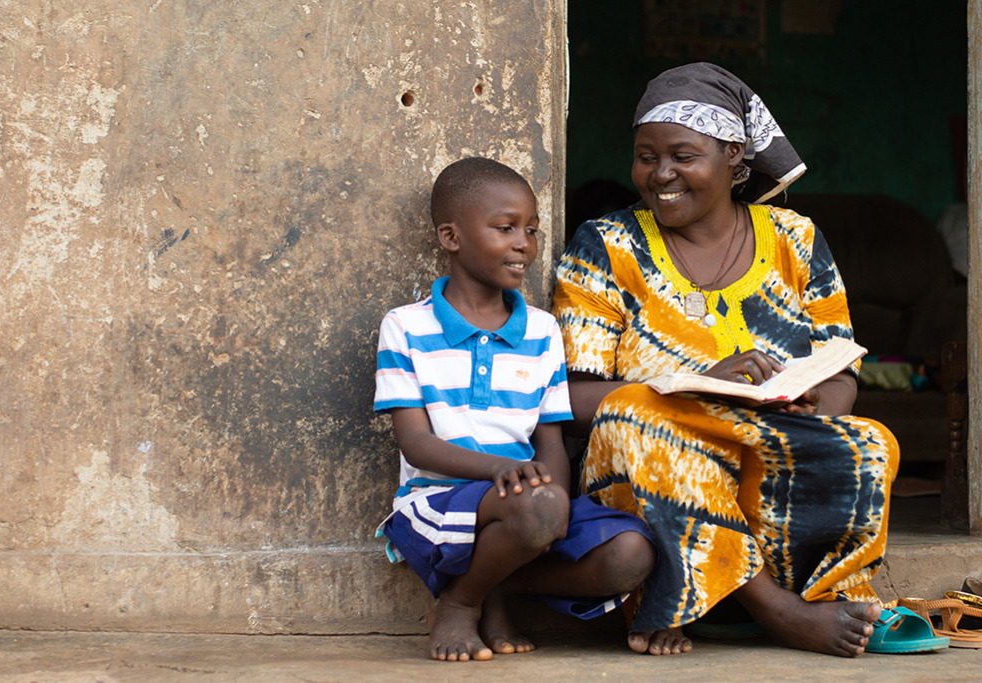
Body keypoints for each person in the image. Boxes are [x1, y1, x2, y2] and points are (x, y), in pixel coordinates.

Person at [552, 63, 902, 658]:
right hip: (653, 450)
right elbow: (576, 396)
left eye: (682, 155)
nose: (660, 174)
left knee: (871, 442)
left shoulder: (795, 238)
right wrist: (695, 383)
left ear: (734, 155)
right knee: (639, 418)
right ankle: (774, 610)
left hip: (769, 434)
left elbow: (840, 366)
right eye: (645, 156)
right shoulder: (606, 245)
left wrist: (815, 410)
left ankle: (816, 595)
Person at [374, 157, 657, 662]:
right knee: (539, 505)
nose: (524, 242)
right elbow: (416, 444)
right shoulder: (406, 327)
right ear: (451, 237)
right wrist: (504, 470)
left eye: (530, 229)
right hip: (439, 501)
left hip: (527, 504)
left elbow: (551, 440)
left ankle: (499, 585)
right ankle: (461, 603)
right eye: (505, 228)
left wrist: (554, 508)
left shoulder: (543, 331)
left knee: (632, 553)